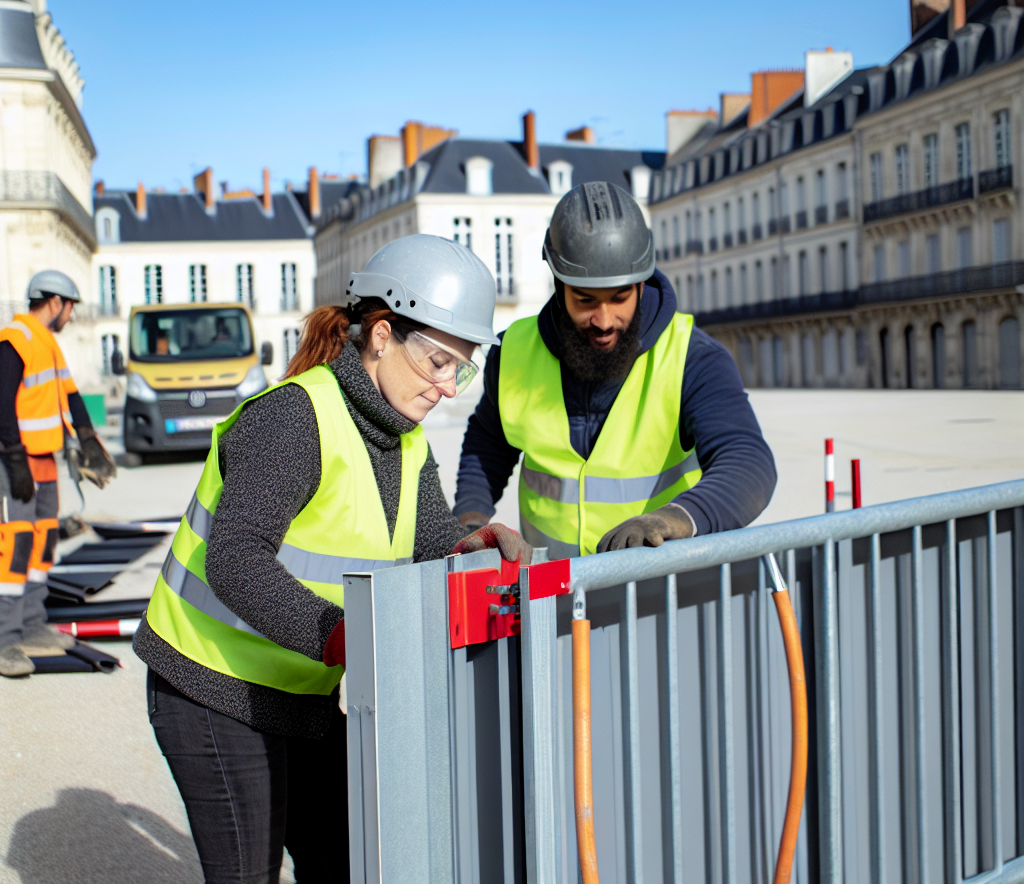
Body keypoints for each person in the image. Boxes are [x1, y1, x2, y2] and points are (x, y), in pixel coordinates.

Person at [135, 235, 524, 884]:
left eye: (463, 367)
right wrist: (346, 637)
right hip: (213, 687)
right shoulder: (294, 418)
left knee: (347, 863)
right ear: (380, 334)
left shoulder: (405, 441)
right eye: (438, 362)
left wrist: (470, 547)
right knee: (245, 873)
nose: (449, 387)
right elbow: (233, 559)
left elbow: (428, 546)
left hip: (309, 690)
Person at [454, 181, 777, 558]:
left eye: (620, 298)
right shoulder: (512, 350)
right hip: (552, 595)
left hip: (661, 593)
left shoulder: (692, 356)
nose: (604, 320)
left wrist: (675, 518)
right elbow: (488, 443)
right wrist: (471, 520)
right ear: (559, 287)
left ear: (642, 284)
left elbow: (747, 461)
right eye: (586, 300)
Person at [0, 271, 117, 678]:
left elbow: (70, 395)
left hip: (44, 460)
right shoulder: (16, 338)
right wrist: (14, 458)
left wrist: (87, 441)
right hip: (15, 462)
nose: (71, 314)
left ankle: (31, 623)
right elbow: (1, 402)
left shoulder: (48, 343)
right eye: (70, 306)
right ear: (55, 301)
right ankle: (4, 638)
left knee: (43, 542)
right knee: (15, 547)